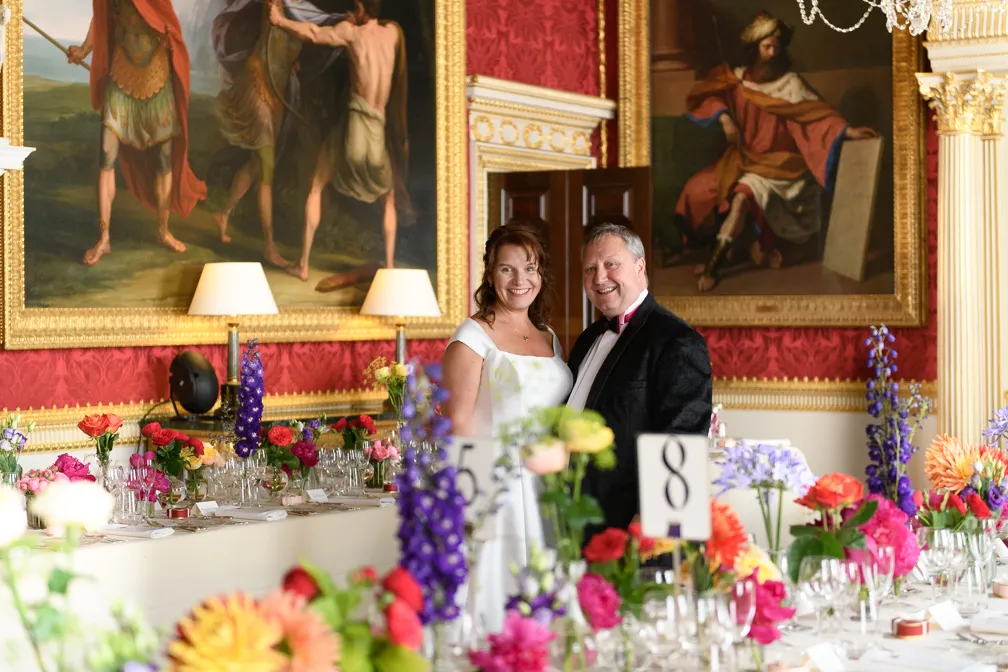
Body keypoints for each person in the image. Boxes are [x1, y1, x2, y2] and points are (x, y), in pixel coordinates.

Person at [675, 10, 877, 292]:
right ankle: (734, 251)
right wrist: (724, 117)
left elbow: (817, 114)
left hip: (783, 168)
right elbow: (707, 95)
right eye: (766, 46)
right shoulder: (738, 80)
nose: (772, 52)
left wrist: (847, 131)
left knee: (742, 198)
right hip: (745, 160)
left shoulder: (790, 84)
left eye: (776, 46)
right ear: (754, 49)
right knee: (699, 190)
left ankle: (713, 268)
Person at [441, 221, 571, 633]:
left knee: (545, 600)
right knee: (497, 596)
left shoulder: (548, 337)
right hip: (497, 489)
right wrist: (468, 508)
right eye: (507, 269)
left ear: (541, 274)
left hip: (548, 489)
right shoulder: (472, 337)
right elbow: (458, 428)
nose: (520, 280)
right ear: (489, 273)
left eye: (530, 268)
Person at [568, 221, 712, 538]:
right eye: (590, 269)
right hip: (574, 518)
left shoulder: (677, 341)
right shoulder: (587, 339)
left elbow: (680, 441)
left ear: (640, 266)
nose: (599, 277)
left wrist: (649, 526)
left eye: (611, 265)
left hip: (628, 526)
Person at [269, 0, 412, 292]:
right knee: (388, 198)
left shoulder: (351, 33)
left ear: (360, 7)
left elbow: (312, 32)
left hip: (354, 133)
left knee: (317, 185)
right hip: (377, 135)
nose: (348, 13)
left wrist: (280, 20)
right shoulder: (393, 35)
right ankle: (391, 266)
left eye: (353, 7)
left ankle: (303, 264)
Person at [68, 0, 207, 266]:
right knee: (106, 157)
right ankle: (104, 238)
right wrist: (85, 50)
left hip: (157, 73)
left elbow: (161, 16)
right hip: (121, 74)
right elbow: (102, 16)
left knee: (165, 159)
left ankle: (163, 230)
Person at [210, 0, 315, 269]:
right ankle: (270, 247)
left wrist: (292, 61)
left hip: (276, 89)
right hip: (258, 84)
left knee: (258, 164)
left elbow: (295, 39)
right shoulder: (276, 4)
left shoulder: (297, 8)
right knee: (267, 167)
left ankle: (223, 214)